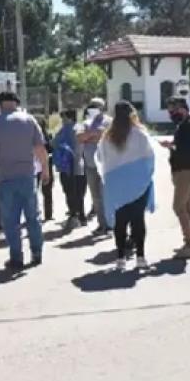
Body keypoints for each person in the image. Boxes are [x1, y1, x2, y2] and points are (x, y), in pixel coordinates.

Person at [0, 91, 50, 271]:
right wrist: (45, 170)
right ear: (16, 103)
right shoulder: (29, 120)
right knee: (32, 217)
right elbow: (40, 148)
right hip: (27, 176)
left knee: (11, 221)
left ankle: (16, 258)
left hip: (5, 177)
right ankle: (36, 253)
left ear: (1, 104)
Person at [97, 101, 156, 271]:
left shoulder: (107, 137)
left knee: (120, 222)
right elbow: (150, 156)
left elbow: (101, 159)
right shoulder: (140, 133)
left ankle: (120, 259)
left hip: (116, 184)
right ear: (132, 113)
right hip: (138, 183)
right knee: (138, 220)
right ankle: (140, 258)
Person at [162, 98, 190, 259]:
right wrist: (172, 144)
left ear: (183, 109)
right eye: (170, 110)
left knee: (178, 207)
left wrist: (172, 146)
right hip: (180, 169)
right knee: (187, 208)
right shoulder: (182, 124)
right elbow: (181, 143)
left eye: (174, 110)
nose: (172, 113)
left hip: (186, 170)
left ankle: (189, 244)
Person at [77, 97, 112, 234]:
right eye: (92, 105)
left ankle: (110, 224)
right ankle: (102, 224)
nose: (93, 108)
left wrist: (90, 136)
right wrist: (94, 134)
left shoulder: (110, 121)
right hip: (90, 164)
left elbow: (109, 137)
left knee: (106, 195)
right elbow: (79, 138)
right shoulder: (83, 122)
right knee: (96, 196)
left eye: (96, 106)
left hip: (106, 164)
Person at [52, 109, 87, 229]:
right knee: (79, 192)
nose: (62, 120)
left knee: (69, 191)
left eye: (64, 117)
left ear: (70, 118)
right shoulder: (81, 128)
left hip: (67, 166)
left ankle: (73, 217)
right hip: (80, 164)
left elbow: (55, 143)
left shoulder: (66, 130)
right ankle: (81, 216)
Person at [36, 118, 55, 221]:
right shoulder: (45, 137)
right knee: (46, 192)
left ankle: (47, 214)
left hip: (42, 166)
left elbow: (51, 149)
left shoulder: (45, 137)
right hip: (42, 166)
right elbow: (51, 149)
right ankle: (47, 215)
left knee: (45, 192)